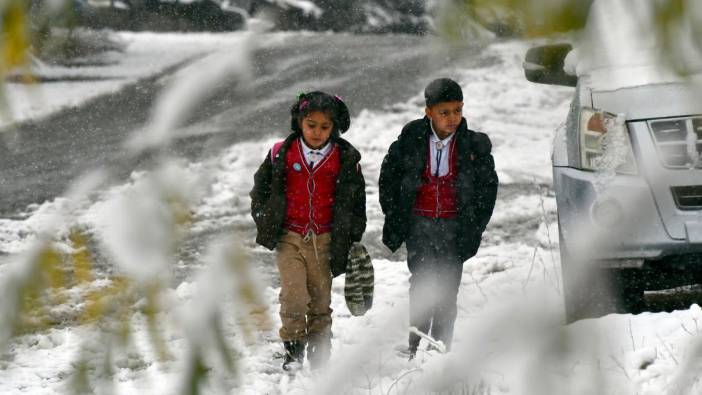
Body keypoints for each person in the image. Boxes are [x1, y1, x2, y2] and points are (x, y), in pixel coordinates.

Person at [379, 78, 498, 359]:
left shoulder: (474, 145)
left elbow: (487, 188)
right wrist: (396, 215)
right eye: (444, 112)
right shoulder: (411, 139)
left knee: (447, 288)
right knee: (421, 284)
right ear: (428, 112)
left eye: (457, 110)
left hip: (454, 227)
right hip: (419, 225)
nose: (452, 118)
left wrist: (474, 226)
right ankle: (414, 344)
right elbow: (389, 177)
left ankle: (439, 348)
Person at [250, 91, 366, 370]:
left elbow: (356, 202)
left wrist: (352, 235)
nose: (317, 132)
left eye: (325, 127)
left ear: (334, 127)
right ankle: (293, 350)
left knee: (320, 300)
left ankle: (320, 352)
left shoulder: (344, 158)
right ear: (299, 122)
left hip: (326, 241)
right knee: (294, 297)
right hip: (289, 237)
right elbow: (260, 191)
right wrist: (266, 219)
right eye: (311, 125)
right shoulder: (282, 153)